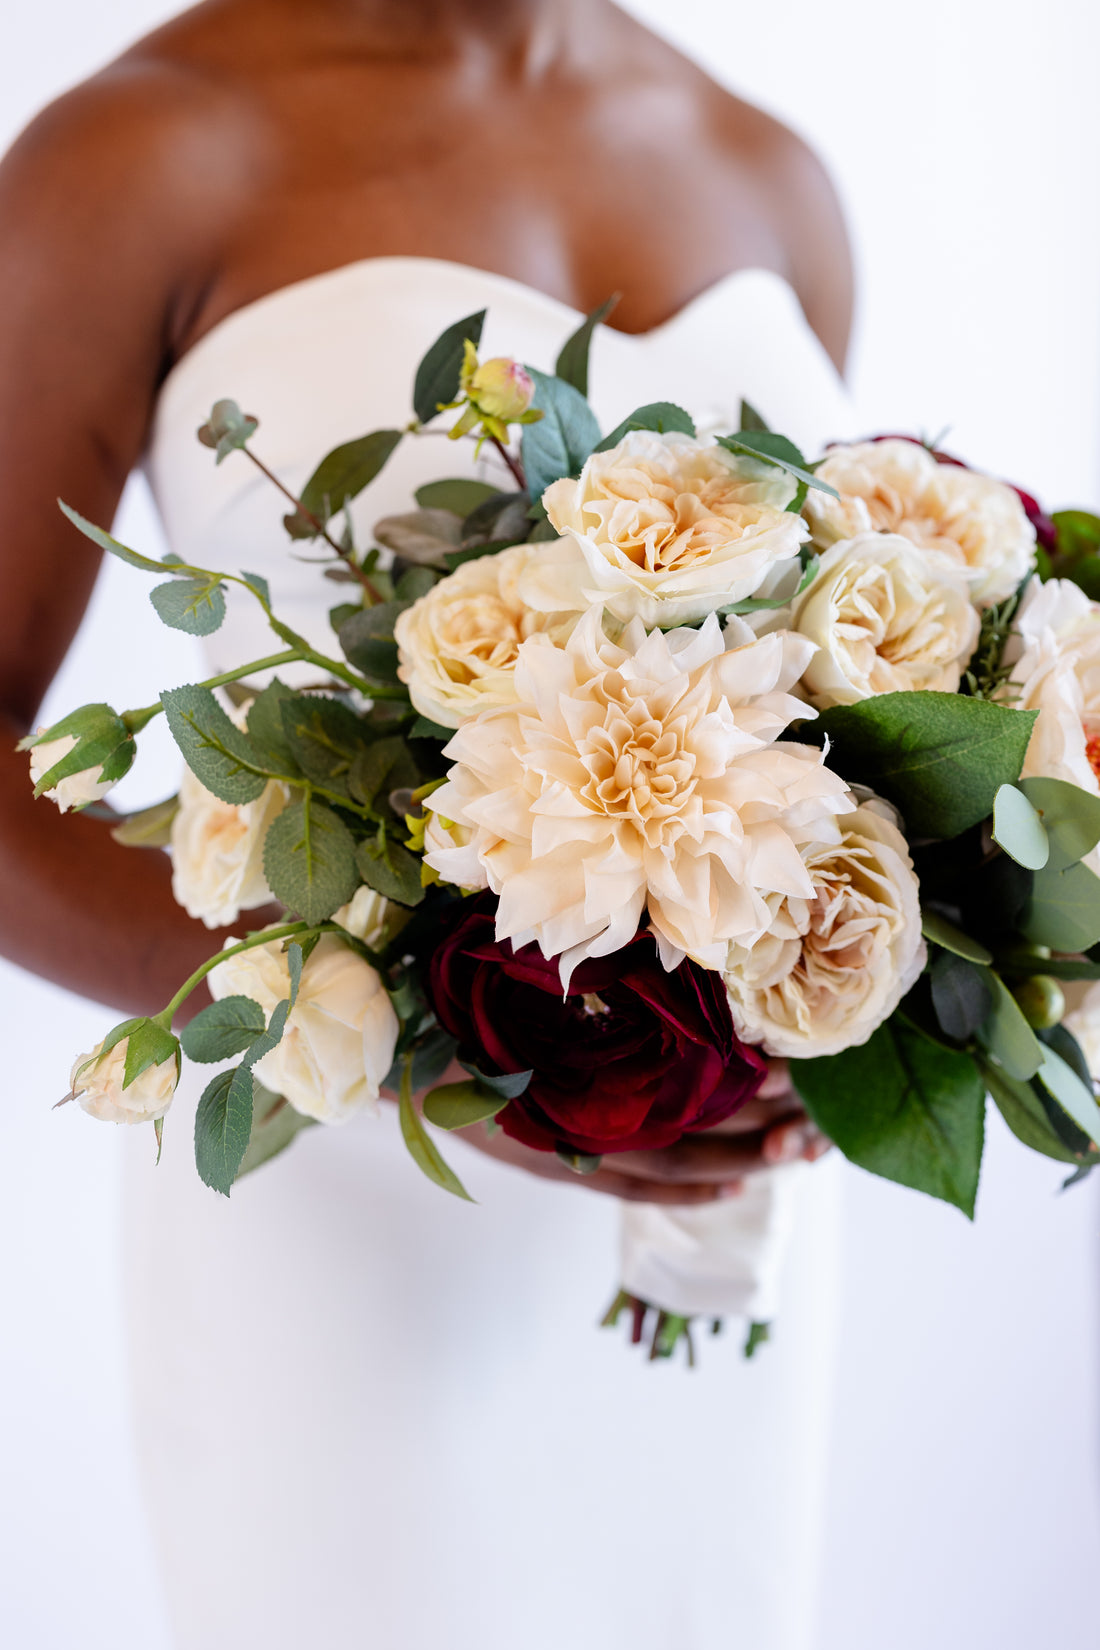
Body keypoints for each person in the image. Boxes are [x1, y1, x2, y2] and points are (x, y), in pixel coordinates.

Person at [0, 3, 855, 1646]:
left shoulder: (770, 173)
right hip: (341, 1201)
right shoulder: (143, 151)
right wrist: (400, 1029)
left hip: (711, 1216)